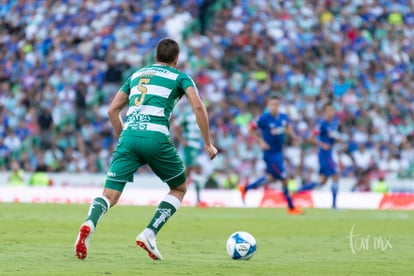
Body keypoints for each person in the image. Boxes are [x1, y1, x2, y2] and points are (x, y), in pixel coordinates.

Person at [74, 38, 218, 261]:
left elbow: (113, 110)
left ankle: (89, 222)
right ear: (176, 59)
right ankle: (149, 233)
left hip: (129, 136)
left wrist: (125, 139)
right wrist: (208, 143)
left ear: (155, 57)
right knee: (179, 188)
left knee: (109, 195)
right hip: (156, 136)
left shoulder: (137, 74)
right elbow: (198, 106)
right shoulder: (180, 77)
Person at [238, 93, 303, 215]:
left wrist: (294, 136)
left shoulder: (283, 117)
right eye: (272, 104)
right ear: (268, 105)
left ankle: (246, 188)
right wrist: (260, 141)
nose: (275, 107)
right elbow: (250, 129)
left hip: (279, 152)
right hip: (270, 154)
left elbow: (287, 127)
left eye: (277, 104)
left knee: (271, 178)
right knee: (284, 178)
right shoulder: (264, 118)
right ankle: (291, 207)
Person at [296, 102, 341, 209]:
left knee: (322, 182)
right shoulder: (322, 124)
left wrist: (337, 140)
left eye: (332, 110)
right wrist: (322, 144)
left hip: (329, 153)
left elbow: (332, 137)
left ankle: (298, 191)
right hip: (324, 154)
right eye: (328, 110)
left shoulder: (334, 124)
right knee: (335, 177)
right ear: (325, 112)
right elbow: (311, 138)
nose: (330, 112)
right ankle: (334, 205)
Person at [173, 103, 207, 207]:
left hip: (196, 146)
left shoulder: (200, 116)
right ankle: (195, 198)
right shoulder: (187, 115)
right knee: (195, 169)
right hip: (189, 146)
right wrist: (182, 140)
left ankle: (177, 194)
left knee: (189, 171)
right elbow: (175, 126)